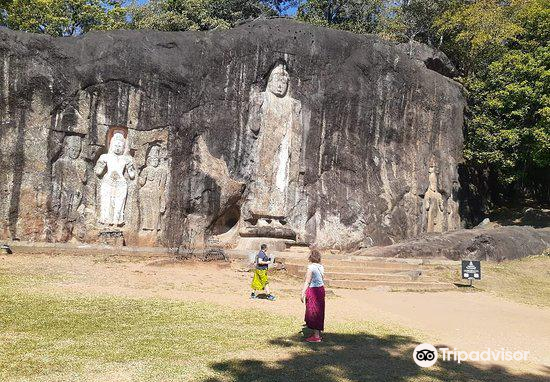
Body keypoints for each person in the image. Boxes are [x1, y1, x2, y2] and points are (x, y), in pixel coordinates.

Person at [301, 249, 325, 342]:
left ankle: (316, 336)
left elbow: (307, 281)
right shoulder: (321, 267)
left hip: (314, 290)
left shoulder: (311, 267)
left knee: (313, 311)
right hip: (321, 289)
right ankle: (317, 333)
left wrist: (303, 292)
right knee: (319, 311)